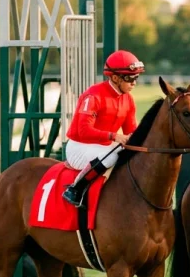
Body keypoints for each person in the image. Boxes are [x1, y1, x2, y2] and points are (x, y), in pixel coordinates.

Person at [61, 50, 144, 207]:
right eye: (130, 78)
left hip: (104, 146)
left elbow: (131, 131)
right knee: (111, 157)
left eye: (136, 77)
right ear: (115, 78)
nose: (134, 82)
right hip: (79, 146)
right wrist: (114, 136)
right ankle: (75, 189)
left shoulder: (128, 99)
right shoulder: (93, 96)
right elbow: (84, 131)